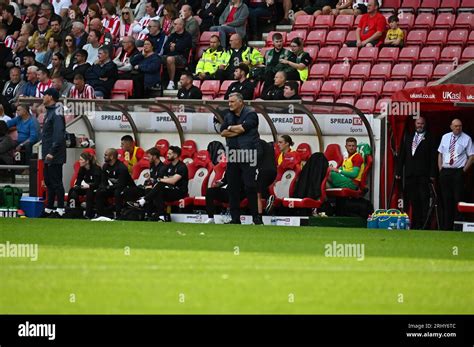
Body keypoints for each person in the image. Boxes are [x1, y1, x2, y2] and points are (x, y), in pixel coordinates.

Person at [220, 92, 263, 225]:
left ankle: (256, 218)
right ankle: (235, 219)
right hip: (233, 154)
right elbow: (222, 132)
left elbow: (244, 128)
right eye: (229, 102)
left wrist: (231, 129)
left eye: (232, 102)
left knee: (250, 186)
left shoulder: (251, 114)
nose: (230, 104)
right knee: (232, 187)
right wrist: (235, 129)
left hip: (248, 153)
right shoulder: (228, 115)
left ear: (240, 102)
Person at [396, 116, 436, 230]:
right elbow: (402, 155)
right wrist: (398, 171)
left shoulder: (430, 138)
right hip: (410, 175)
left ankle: (425, 225)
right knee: (414, 200)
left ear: (425, 125)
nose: (420, 126)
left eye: (422, 124)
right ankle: (416, 224)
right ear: (415, 124)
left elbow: (433, 157)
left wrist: (432, 174)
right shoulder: (408, 137)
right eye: (418, 123)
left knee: (424, 200)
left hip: (423, 175)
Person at [130, 146, 189, 222]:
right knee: (155, 190)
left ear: (175, 155)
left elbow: (173, 181)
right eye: (167, 153)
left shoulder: (182, 166)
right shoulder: (168, 166)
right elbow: (165, 178)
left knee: (160, 184)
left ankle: (143, 201)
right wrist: (160, 180)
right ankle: (158, 216)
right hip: (169, 190)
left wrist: (159, 179)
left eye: (169, 153)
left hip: (179, 192)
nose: (167, 155)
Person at [438, 119, 474, 230]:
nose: (458, 128)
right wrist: (440, 168)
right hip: (445, 171)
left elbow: (472, 156)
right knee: (446, 199)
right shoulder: (445, 137)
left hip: (458, 171)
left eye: (460, 126)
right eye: (456, 126)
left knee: (458, 199)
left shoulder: (466, 138)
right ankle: (447, 227)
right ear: (451, 127)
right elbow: (440, 153)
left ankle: (458, 226)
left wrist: (463, 171)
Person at [41, 88, 67, 218]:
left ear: (50, 97)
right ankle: (49, 208)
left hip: (54, 154)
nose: (43, 97)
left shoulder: (56, 113)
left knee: (56, 182)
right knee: (49, 181)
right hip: (47, 153)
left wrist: (52, 151)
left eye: (44, 95)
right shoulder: (50, 112)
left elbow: (58, 134)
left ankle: (61, 209)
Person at [96, 148, 135, 219]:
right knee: (100, 192)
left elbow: (121, 184)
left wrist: (109, 187)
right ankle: (101, 214)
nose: (104, 156)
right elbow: (104, 181)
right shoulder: (105, 166)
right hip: (115, 187)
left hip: (127, 188)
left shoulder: (122, 168)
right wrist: (104, 187)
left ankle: (118, 215)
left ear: (111, 157)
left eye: (106, 155)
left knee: (117, 193)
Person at [67, 151, 102, 219]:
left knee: (89, 192)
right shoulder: (82, 168)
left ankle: (88, 214)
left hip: (95, 188)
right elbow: (79, 179)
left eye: (81, 160)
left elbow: (98, 183)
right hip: (86, 187)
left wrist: (89, 186)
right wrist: (77, 185)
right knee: (73, 190)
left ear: (87, 161)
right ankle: (73, 211)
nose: (79, 161)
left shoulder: (96, 168)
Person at [163, 18, 193, 90]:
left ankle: (171, 82)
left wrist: (175, 46)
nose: (174, 26)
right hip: (170, 55)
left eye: (176, 24)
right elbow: (165, 47)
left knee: (170, 59)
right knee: (156, 58)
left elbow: (183, 47)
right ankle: (157, 83)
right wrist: (172, 47)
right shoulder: (172, 35)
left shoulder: (187, 36)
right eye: (174, 24)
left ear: (181, 25)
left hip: (182, 57)